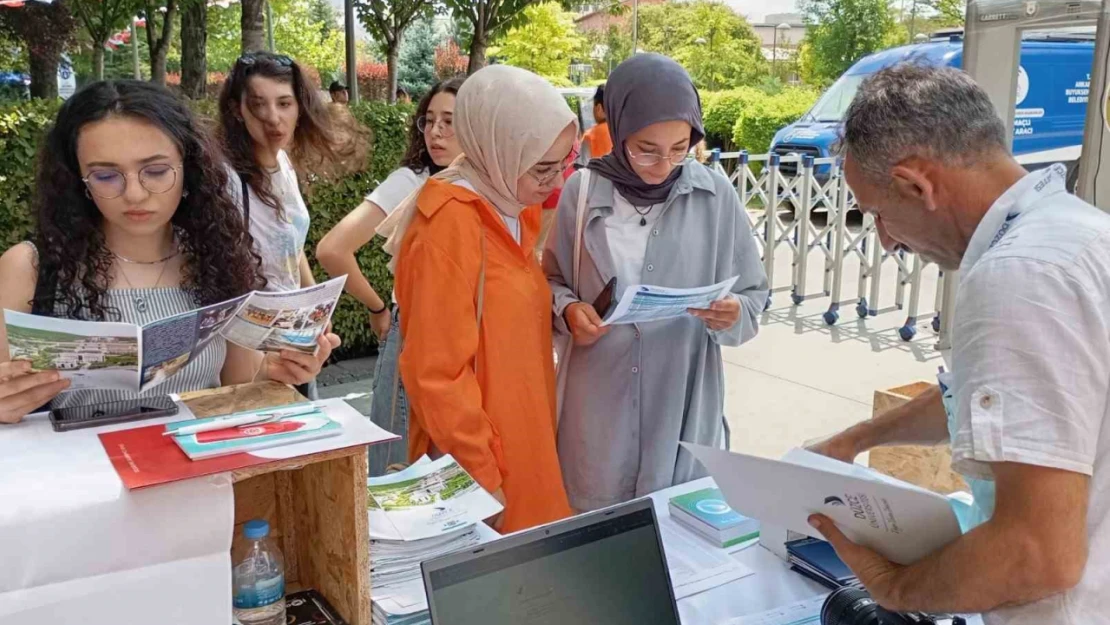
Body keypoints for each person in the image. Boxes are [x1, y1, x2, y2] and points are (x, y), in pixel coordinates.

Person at [806, 64, 1110, 624]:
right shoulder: (1080, 232)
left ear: (917, 184)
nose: (886, 240)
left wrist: (893, 590)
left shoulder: (1018, 276)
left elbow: (1036, 554)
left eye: (876, 213)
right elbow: (973, 396)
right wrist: (856, 439)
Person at [0, 80, 339, 424]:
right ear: (77, 179)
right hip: (78, 474)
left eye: (157, 171)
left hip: (205, 472)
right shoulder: (30, 268)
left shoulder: (218, 257)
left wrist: (280, 374)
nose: (134, 193)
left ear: (189, 168)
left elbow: (240, 391)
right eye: (105, 175)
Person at [544, 54, 768, 512]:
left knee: (681, 537)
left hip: (682, 401)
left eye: (680, 147)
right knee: (594, 534)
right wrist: (568, 310)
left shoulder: (714, 194)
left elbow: (753, 294)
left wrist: (732, 313)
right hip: (598, 403)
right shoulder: (581, 192)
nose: (663, 163)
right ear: (620, 128)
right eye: (646, 147)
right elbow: (550, 281)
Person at [378, 65, 578, 532]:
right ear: (498, 148)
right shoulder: (448, 225)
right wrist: (483, 479)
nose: (555, 183)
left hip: (524, 442)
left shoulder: (512, 207)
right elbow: (436, 375)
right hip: (484, 470)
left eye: (564, 164)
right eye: (543, 168)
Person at [316, 76, 465, 476]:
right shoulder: (413, 181)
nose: (435, 131)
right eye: (430, 120)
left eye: (449, 121)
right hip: (415, 338)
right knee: (400, 476)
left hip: (467, 347)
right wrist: (378, 306)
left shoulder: (490, 189)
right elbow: (332, 249)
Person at [218, 51, 360, 293]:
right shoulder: (224, 180)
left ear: (299, 108)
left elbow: (291, 244)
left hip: (292, 322)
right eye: (258, 104)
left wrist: (312, 300)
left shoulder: (284, 163)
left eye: (284, 104)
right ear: (237, 110)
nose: (273, 118)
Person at [576, 84, 613, 167]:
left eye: (593, 106)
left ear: (599, 108)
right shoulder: (624, 133)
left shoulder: (590, 136)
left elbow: (581, 167)